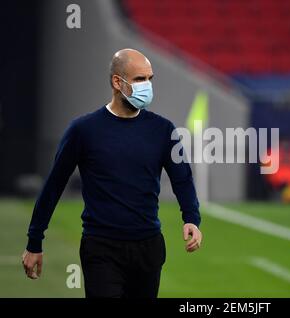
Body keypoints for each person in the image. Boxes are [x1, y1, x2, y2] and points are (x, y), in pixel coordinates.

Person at [22, 48, 203, 298]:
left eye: (150, 79)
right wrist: (35, 241)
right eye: (140, 79)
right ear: (118, 82)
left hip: (148, 247)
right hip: (101, 248)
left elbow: (182, 178)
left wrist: (191, 218)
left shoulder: (163, 130)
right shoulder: (83, 130)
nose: (147, 86)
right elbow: (54, 186)